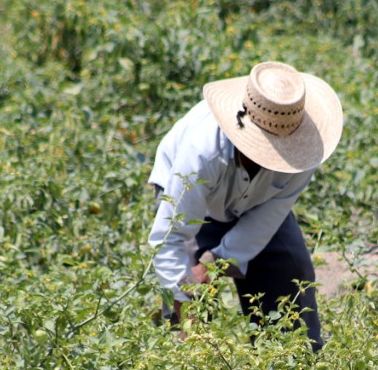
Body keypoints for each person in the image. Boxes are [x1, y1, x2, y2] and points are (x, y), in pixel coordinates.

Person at [147, 61, 344, 351]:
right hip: (195, 208)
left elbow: (269, 215)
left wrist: (216, 261)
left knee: (290, 270)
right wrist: (187, 289)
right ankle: (182, 369)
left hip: (256, 205)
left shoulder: (303, 152)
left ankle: (291, 365)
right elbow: (172, 235)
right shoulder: (201, 152)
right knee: (185, 298)